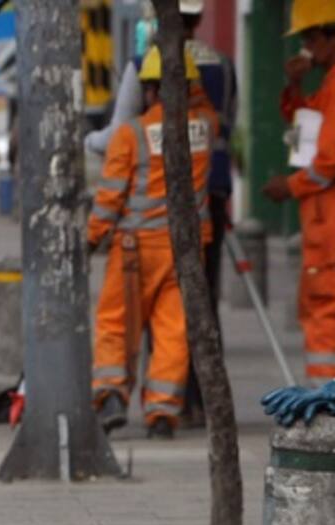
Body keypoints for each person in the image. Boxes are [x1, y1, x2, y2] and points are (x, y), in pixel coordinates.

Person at [84, 0, 238, 427]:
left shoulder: (129, 136)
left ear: (150, 88)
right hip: (183, 248)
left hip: (134, 246)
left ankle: (112, 395)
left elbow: (111, 196)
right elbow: (211, 112)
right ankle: (164, 412)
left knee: (117, 323)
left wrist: (91, 237)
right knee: (173, 331)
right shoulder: (204, 128)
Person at [264, 0, 335, 392]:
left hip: (333, 212)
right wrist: (293, 86)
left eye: (310, 36)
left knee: (323, 304)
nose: (305, 46)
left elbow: (327, 160)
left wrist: (287, 187)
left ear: (334, 36)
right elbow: (305, 124)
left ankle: (327, 402)